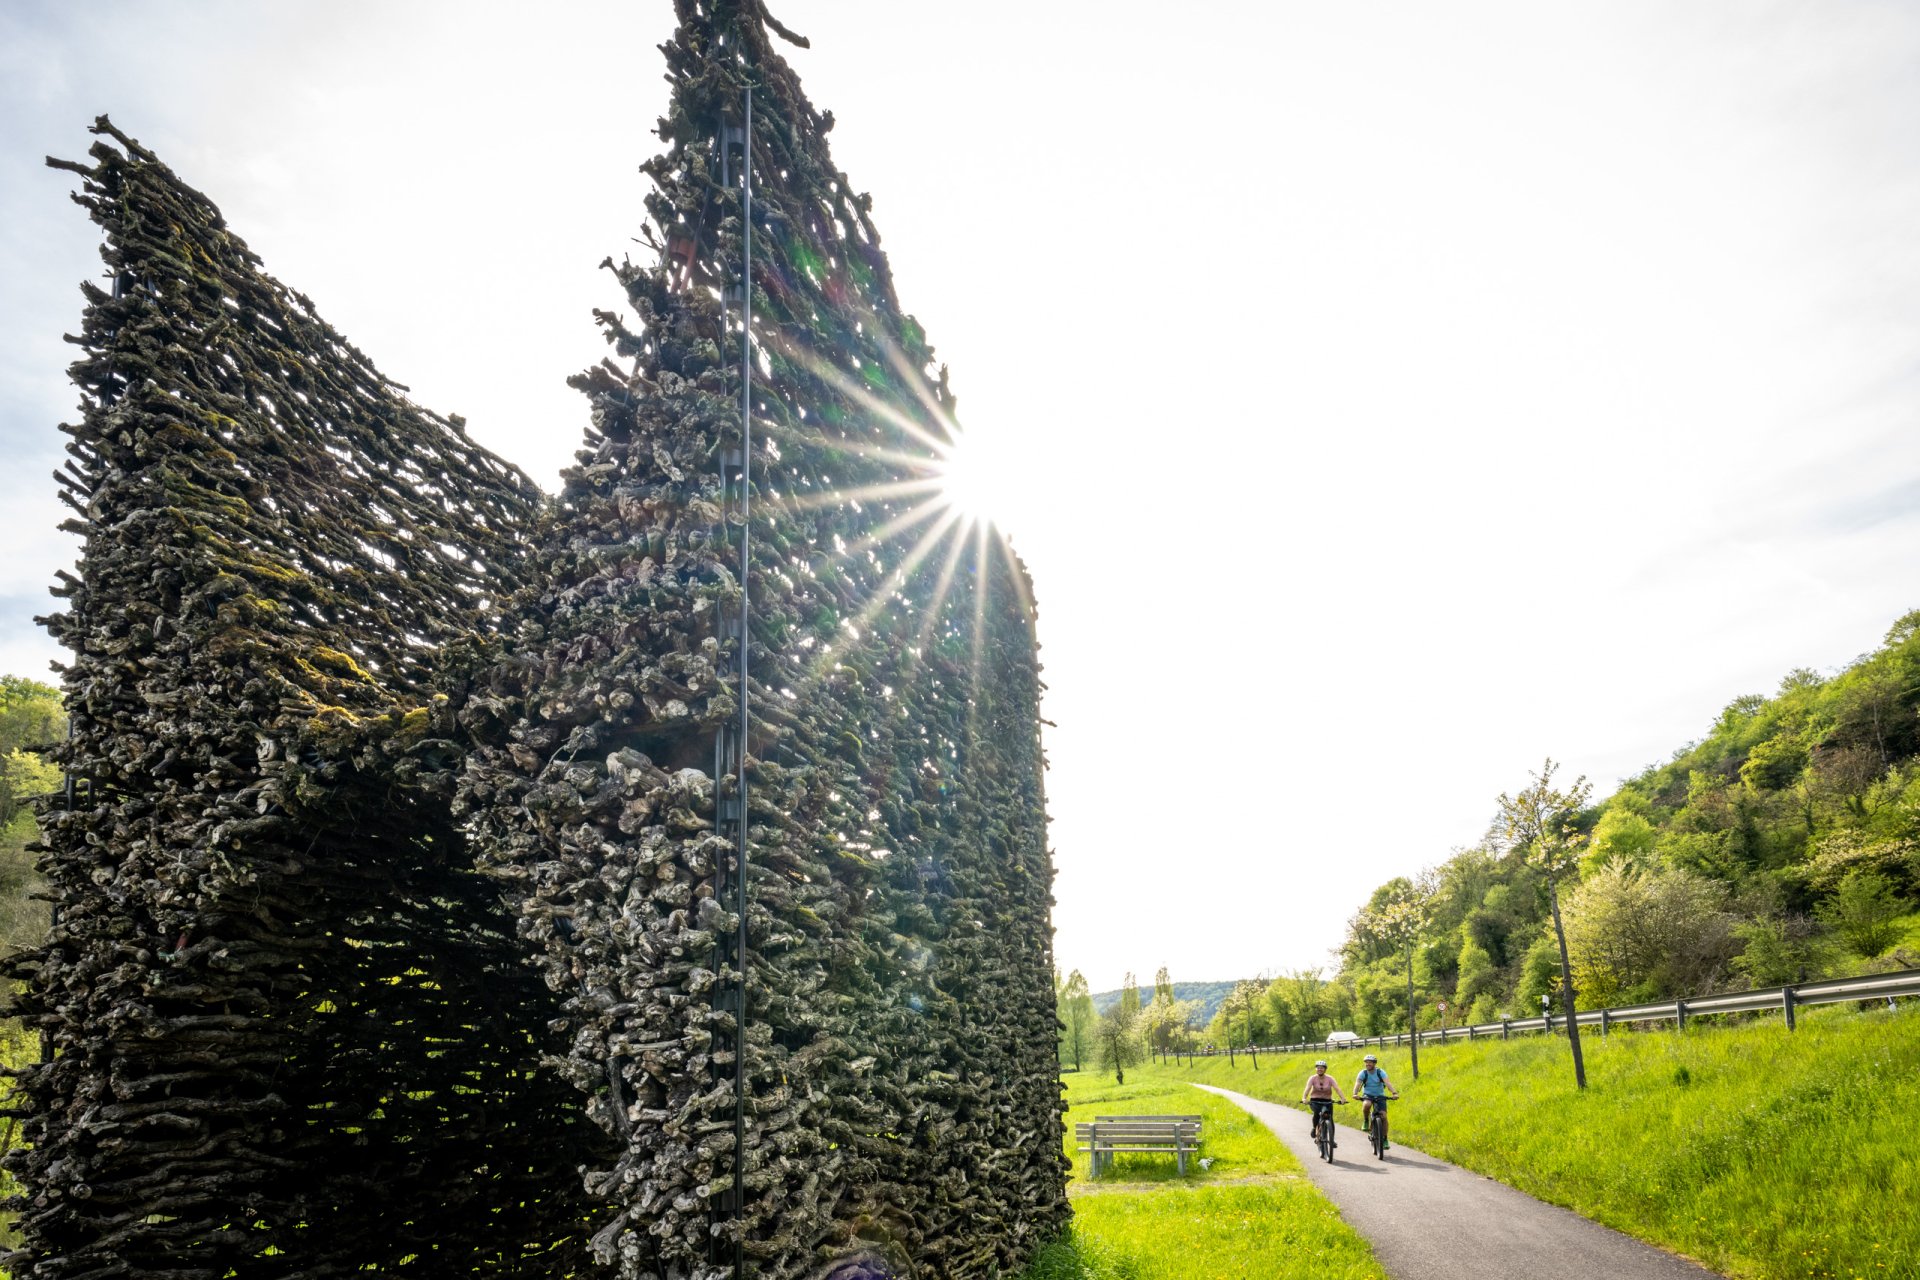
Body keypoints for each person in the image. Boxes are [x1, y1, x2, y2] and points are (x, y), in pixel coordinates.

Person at [1353, 1053, 1400, 1150]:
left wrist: (1394, 1093)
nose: (1368, 1064)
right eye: (1366, 1062)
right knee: (1367, 1104)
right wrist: (1355, 1093)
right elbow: (1358, 1083)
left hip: (1380, 1096)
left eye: (1370, 1062)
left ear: (1374, 1063)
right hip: (1368, 1095)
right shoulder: (1363, 1073)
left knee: (1384, 1116)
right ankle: (1366, 1120)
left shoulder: (1380, 1072)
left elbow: (1387, 1083)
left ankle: (1385, 1139)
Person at [1301, 1059, 1347, 1143]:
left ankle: (1332, 1140)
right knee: (1316, 1114)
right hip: (1315, 1100)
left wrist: (1342, 1098)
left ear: (1325, 1069)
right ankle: (1315, 1128)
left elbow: (1337, 1088)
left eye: (1322, 1068)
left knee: (1330, 1119)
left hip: (1327, 1101)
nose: (1320, 1069)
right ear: (1316, 1069)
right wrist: (1304, 1098)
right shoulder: (1312, 1078)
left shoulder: (1330, 1078)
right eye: (1318, 1068)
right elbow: (1307, 1089)